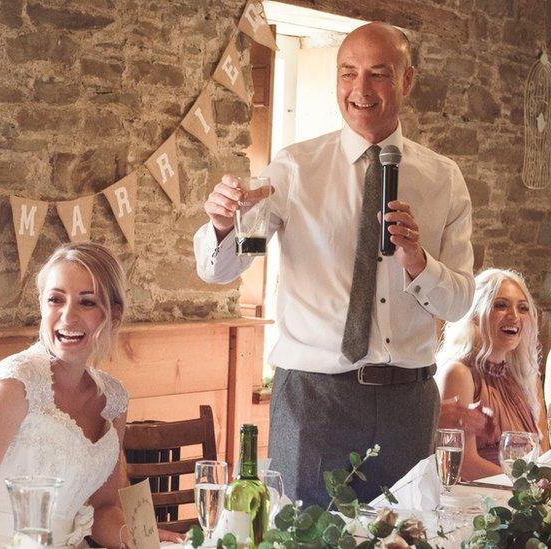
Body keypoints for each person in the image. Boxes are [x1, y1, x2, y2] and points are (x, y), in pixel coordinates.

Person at [193, 22, 474, 505]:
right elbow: (223, 269)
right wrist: (224, 225)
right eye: (348, 73)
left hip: (409, 400)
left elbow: (460, 301)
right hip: (314, 399)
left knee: (406, 536)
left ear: (406, 81)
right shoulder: (294, 169)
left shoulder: (443, 179)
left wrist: (418, 262)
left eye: (378, 74)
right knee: (305, 536)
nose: (360, 89)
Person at [0, 242, 132, 548]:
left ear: (113, 314)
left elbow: (103, 509)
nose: (67, 316)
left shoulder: (114, 400)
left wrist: (138, 537)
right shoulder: (15, 383)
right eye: (56, 300)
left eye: (87, 302)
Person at [436, 269, 548, 480]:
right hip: (478, 503)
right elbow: (464, 465)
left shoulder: (528, 379)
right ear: (476, 315)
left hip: (527, 504)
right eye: (501, 305)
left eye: (522, 308)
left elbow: (543, 455)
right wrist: (526, 490)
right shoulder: (459, 373)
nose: (514, 316)